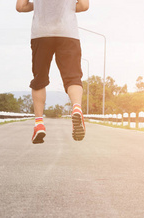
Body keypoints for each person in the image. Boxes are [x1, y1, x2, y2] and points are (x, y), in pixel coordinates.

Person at [16, 0, 90, 144]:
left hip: (41, 33)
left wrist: (38, 6)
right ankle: (76, 108)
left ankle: (39, 124)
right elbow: (84, 5)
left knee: (39, 78)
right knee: (73, 77)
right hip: (68, 32)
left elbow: (21, 6)